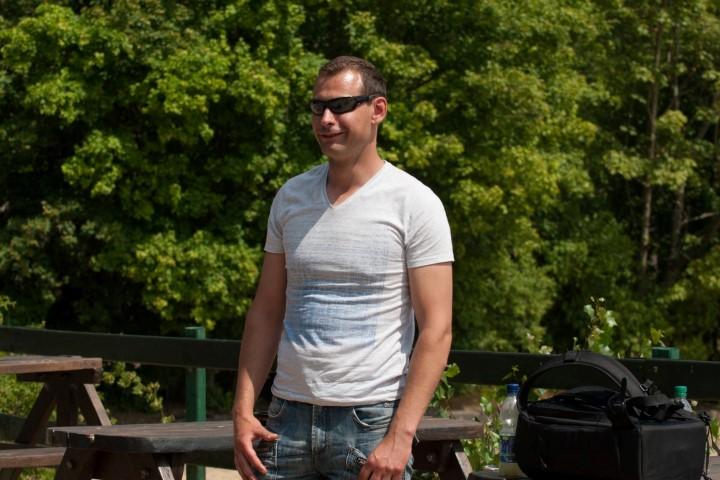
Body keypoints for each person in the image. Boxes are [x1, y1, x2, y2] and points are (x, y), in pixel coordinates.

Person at [232, 55, 453, 480]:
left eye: (340, 106)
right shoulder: (291, 198)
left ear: (377, 110)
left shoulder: (415, 203)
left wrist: (400, 436)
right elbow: (266, 312)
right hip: (284, 421)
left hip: (369, 425)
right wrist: (242, 410)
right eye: (318, 107)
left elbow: (437, 329)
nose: (326, 119)